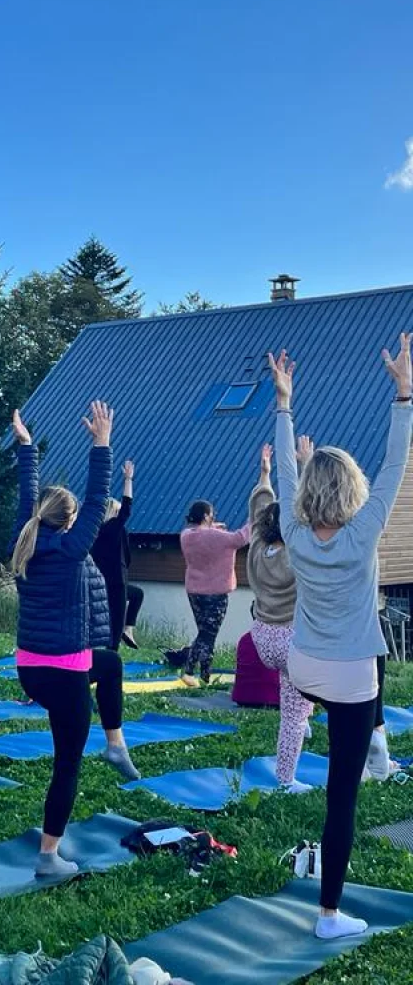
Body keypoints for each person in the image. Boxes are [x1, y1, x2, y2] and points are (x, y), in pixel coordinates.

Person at [269, 334, 413, 940]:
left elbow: (281, 469)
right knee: (341, 798)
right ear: (353, 493)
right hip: (352, 672)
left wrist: (283, 403)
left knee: (350, 699)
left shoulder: (293, 532)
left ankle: (369, 747)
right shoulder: (364, 532)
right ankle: (328, 916)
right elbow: (394, 463)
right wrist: (403, 392)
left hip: (304, 664)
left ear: (305, 494)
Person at [10, 403, 140, 878]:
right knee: (66, 765)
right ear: (66, 523)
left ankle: (115, 742)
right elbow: (96, 497)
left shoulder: (24, 538)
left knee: (109, 665)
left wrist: (26, 446)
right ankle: (48, 856)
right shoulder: (68, 548)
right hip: (63, 674)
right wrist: (101, 442)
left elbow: (29, 498)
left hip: (31, 668)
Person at [248, 442, 314, 791]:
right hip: (291, 642)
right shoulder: (297, 555)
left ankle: (304, 716)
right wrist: (304, 468)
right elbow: (305, 513)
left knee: (298, 697)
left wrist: (265, 472)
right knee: (291, 715)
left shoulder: (258, 547)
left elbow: (260, 504)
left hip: (263, 637)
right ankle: (285, 780)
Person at [179, 501, 250, 686]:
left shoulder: (186, 536)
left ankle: (196, 672)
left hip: (194, 591)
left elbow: (203, 534)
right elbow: (240, 538)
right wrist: (254, 520)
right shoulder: (217, 537)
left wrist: (214, 527)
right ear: (205, 516)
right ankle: (198, 675)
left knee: (203, 633)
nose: (214, 517)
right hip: (216, 593)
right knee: (208, 635)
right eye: (212, 514)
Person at [91, 460, 138, 650]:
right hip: (116, 581)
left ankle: (125, 631)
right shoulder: (113, 528)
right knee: (116, 620)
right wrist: (128, 480)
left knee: (135, 595)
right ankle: (116, 646)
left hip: (100, 580)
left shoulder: (95, 530)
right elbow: (126, 508)